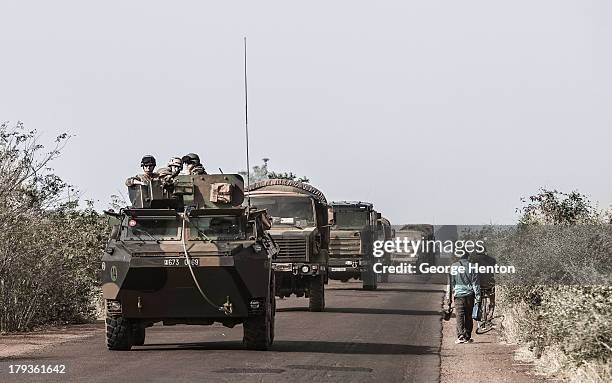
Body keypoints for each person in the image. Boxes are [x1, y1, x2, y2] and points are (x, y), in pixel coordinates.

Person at [445, 253, 481, 344]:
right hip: (470, 295)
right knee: (469, 316)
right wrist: (478, 297)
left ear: (459, 257)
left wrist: (448, 298)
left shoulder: (453, 266)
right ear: (468, 257)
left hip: (458, 295)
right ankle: (467, 337)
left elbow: (451, 283)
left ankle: (461, 336)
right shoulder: (473, 266)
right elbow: (475, 284)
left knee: (459, 316)